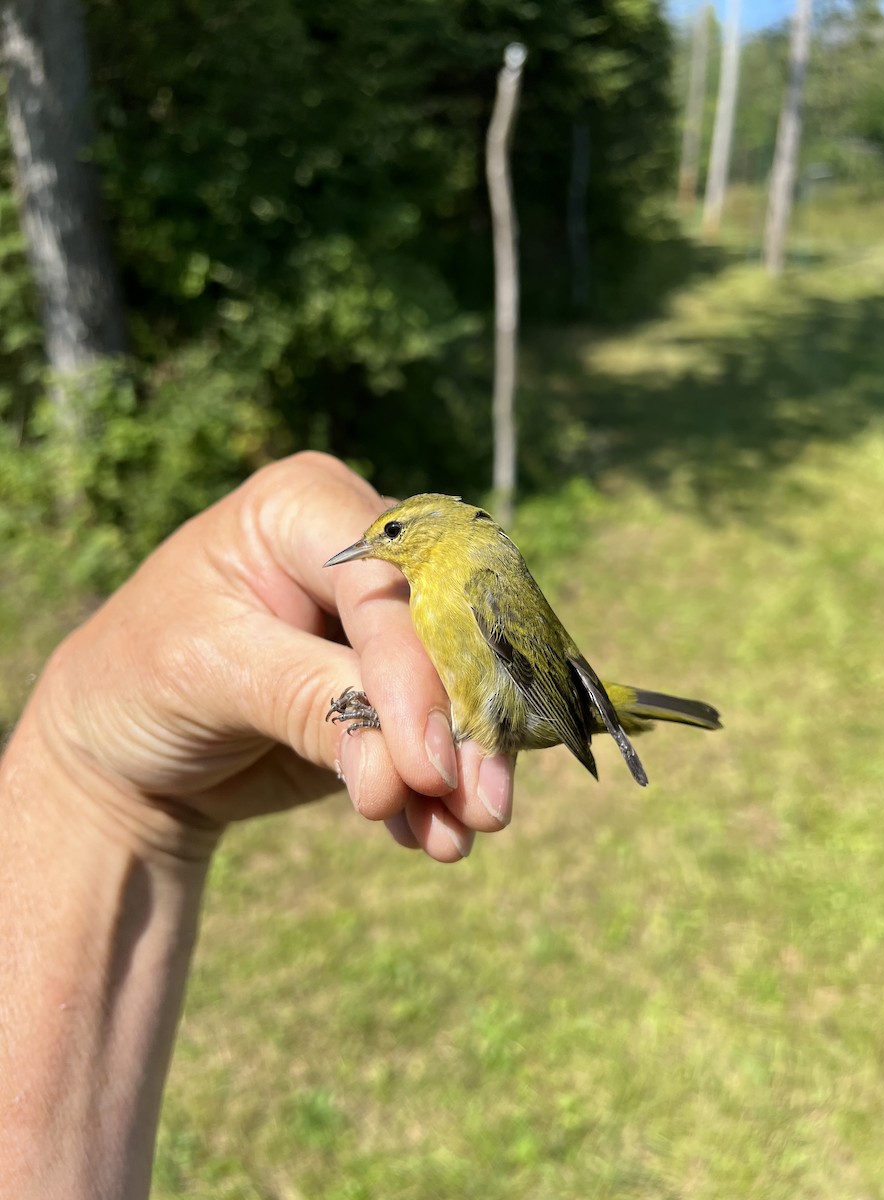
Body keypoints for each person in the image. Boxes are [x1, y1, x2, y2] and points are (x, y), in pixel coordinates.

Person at [0, 452, 515, 1200]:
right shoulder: (427, 575)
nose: (368, 552)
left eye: (391, 534)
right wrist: (92, 781)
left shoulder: (463, 572)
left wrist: (95, 786)